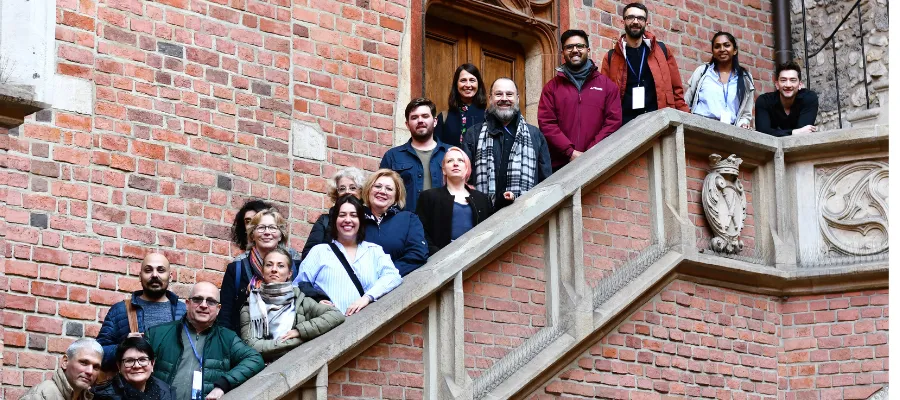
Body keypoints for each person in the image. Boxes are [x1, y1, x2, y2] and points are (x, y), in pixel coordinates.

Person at [146, 282, 264, 400]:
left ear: (218, 309)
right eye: (197, 299)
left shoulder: (227, 338)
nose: (203, 305)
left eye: (211, 301)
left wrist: (223, 385)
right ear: (187, 304)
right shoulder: (157, 334)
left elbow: (255, 359)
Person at [294, 195, 403, 315]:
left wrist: (367, 298)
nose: (347, 219)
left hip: (365, 325)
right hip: (327, 327)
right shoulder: (319, 251)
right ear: (335, 220)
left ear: (361, 221)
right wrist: (316, 301)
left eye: (353, 215)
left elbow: (393, 276)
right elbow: (298, 286)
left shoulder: (374, 251)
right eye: (342, 215)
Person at [240, 247, 345, 362]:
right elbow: (252, 345)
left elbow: (336, 314)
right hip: (261, 369)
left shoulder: (301, 300)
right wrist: (300, 339)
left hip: (296, 363)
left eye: (281, 266)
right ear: (262, 271)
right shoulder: (249, 306)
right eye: (269, 265)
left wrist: (300, 331)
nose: (274, 269)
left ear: (289, 273)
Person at [462, 78, 552, 210]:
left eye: (509, 94)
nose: (504, 98)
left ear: (518, 98)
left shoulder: (535, 135)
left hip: (524, 216)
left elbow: (546, 182)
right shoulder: (473, 134)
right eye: (498, 94)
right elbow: (464, 179)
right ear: (490, 98)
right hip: (481, 217)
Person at [539, 29, 622, 171]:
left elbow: (613, 122)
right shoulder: (551, 88)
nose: (574, 50)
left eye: (580, 46)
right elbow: (547, 123)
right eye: (569, 47)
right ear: (562, 52)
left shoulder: (608, 87)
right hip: (559, 165)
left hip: (596, 162)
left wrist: (590, 152)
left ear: (588, 50)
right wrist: (570, 152)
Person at [601, 2, 690, 125]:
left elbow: (677, 92)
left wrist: (686, 119)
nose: (636, 21)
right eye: (631, 17)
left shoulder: (662, 51)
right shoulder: (611, 57)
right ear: (623, 22)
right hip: (624, 127)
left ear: (646, 23)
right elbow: (604, 98)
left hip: (659, 124)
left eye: (640, 18)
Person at [96, 253, 186, 372]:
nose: (154, 275)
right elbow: (97, 354)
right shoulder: (120, 310)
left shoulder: (184, 312)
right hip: (129, 389)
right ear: (140, 276)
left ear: (170, 276)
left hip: (172, 389)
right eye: (148, 270)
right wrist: (123, 348)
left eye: (160, 270)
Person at [219, 208, 300, 332]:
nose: (267, 232)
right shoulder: (236, 270)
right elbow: (225, 315)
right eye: (261, 228)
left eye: (273, 228)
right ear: (252, 235)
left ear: (280, 235)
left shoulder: (294, 267)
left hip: (286, 342)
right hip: (242, 344)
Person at [416, 147, 493, 255]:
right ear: (443, 169)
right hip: (440, 260)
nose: (455, 164)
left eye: (460, 160)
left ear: (467, 168)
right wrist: (437, 255)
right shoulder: (429, 197)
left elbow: (492, 225)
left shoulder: (482, 199)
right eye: (450, 161)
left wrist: (504, 200)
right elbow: (420, 231)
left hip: (474, 257)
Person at [379, 98, 451, 212]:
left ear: (435, 121)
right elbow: (382, 195)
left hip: (443, 223)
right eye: (414, 117)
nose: (420, 120)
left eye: (425, 116)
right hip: (405, 225)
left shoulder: (450, 153)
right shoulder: (393, 156)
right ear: (407, 124)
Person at [359, 169, 429, 276]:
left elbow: (418, 253)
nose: (382, 191)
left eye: (389, 189)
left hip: (396, 286)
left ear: (396, 196)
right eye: (378, 186)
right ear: (368, 190)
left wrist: (387, 273)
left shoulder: (409, 219)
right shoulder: (356, 218)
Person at [685, 32, 756, 129]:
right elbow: (687, 101)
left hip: (729, 133)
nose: (722, 49)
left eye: (727, 45)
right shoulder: (703, 72)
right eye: (717, 47)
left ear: (735, 50)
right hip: (699, 127)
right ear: (713, 52)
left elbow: (746, 114)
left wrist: (743, 124)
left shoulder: (745, 78)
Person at [301, 167, 367, 260]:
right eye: (342, 188)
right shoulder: (325, 221)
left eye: (353, 188)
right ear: (336, 194)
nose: (347, 191)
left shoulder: (369, 220)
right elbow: (308, 255)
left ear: (361, 192)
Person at [92, 337, 176, 400]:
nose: (136, 365)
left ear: (152, 364)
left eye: (142, 359)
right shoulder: (103, 396)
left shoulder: (167, 392)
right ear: (119, 366)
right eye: (129, 361)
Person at [21, 338, 103, 400]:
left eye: (96, 367)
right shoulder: (39, 396)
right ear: (65, 362)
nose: (90, 371)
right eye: (84, 363)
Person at [754, 61, 819, 136]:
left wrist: (777, 132)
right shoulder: (764, 101)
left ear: (800, 85)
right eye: (783, 80)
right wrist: (794, 132)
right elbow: (762, 134)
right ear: (777, 85)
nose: (788, 85)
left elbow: (803, 135)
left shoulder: (809, 98)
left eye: (793, 80)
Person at [435, 64, 488, 147]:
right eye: (463, 80)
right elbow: (437, 149)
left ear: (479, 84)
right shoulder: (443, 117)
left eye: (472, 80)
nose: (468, 85)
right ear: (456, 85)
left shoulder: (488, 116)